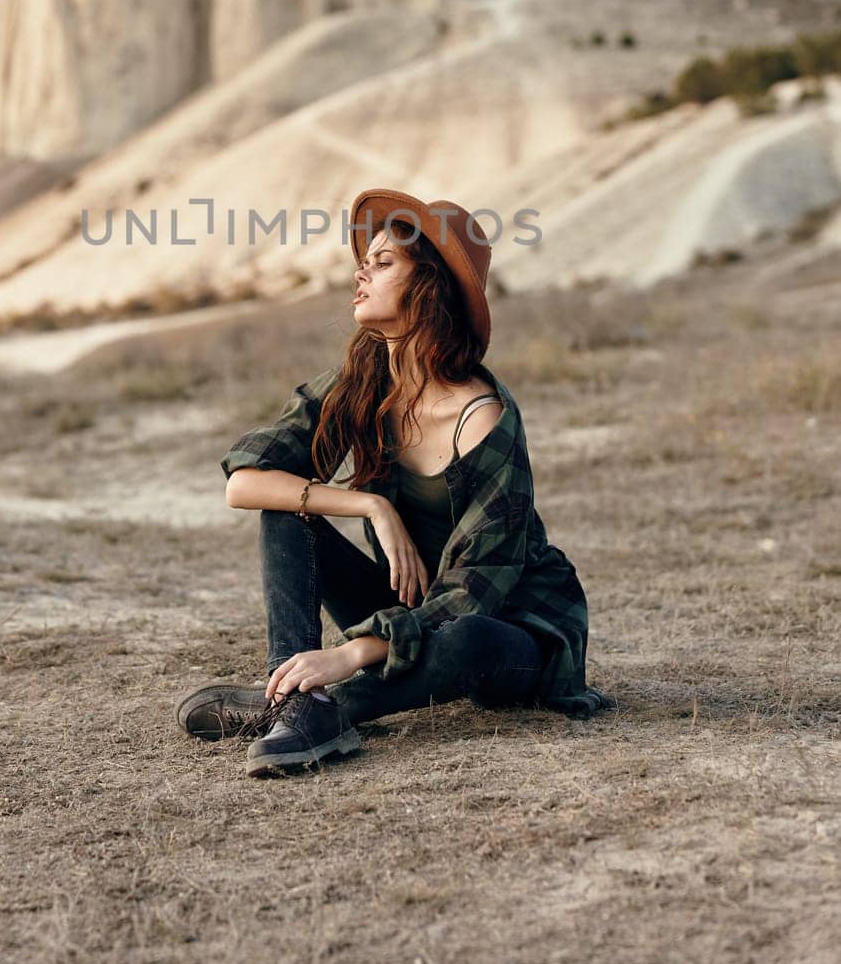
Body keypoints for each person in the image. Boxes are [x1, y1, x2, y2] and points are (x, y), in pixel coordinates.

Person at [176, 187, 616, 777]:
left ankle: (332, 707)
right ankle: (294, 700)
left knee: (468, 637)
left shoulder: (483, 417)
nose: (362, 271)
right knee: (288, 511)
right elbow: (246, 482)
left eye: (384, 263)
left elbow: (471, 592)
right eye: (366, 260)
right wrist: (368, 507)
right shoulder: (363, 381)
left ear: (428, 289)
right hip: (408, 610)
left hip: (510, 629)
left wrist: (351, 653)